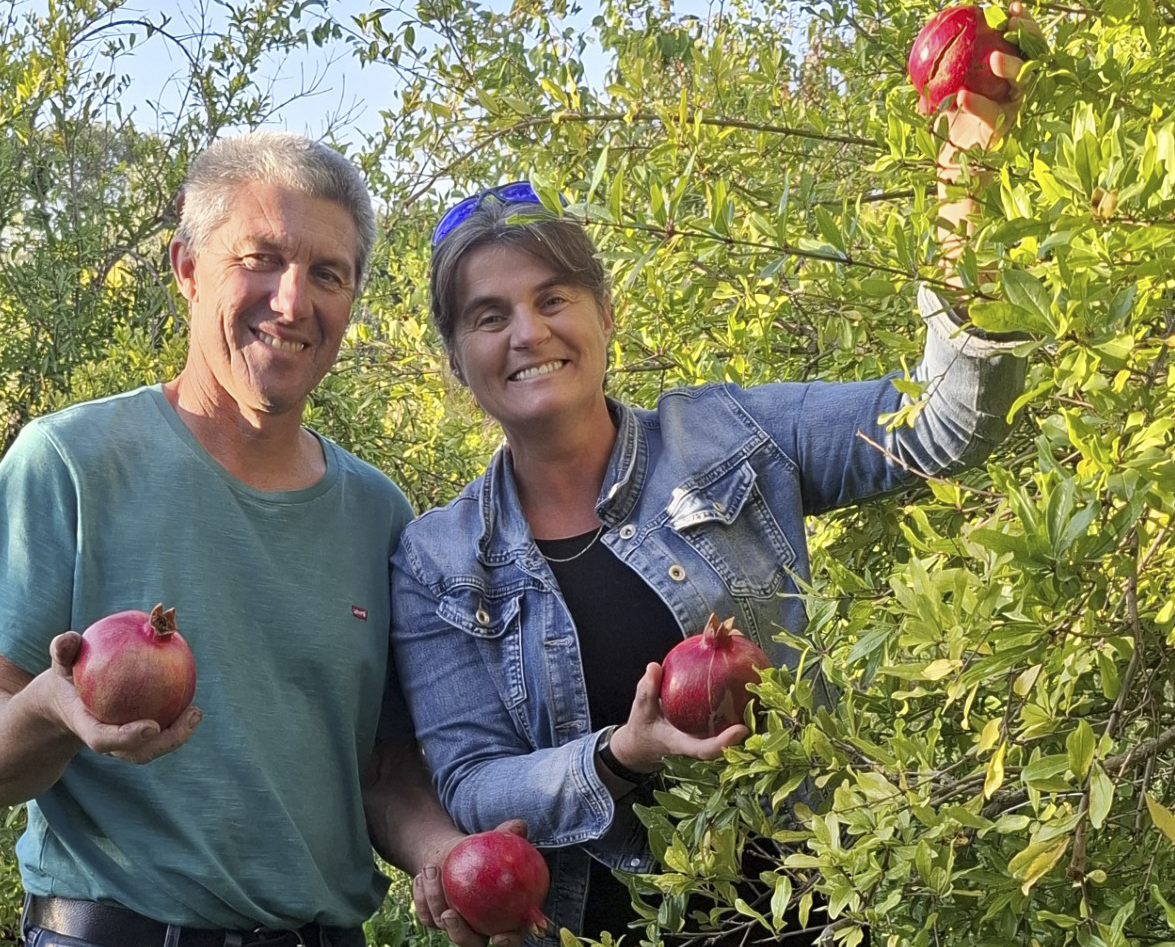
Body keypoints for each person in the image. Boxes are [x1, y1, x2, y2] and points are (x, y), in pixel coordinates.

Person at [392, 6, 1041, 945]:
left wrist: (964, 188)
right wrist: (620, 754)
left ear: (604, 314)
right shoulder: (439, 557)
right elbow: (469, 780)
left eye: (552, 298)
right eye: (488, 316)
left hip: (822, 913)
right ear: (458, 360)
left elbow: (943, 425)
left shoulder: (730, 436)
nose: (527, 333)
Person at [0, 131, 475, 947]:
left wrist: (450, 860)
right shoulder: (70, 465)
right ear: (187, 268)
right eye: (260, 258)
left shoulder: (379, 515)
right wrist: (51, 708)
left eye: (328, 273)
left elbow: (381, 774)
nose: (292, 302)